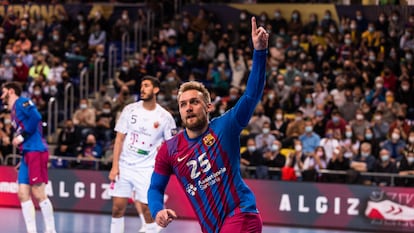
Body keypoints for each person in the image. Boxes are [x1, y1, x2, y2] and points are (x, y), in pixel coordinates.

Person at [148, 17, 268, 233]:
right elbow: (155, 187)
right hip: (214, 227)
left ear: (208, 106)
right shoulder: (170, 149)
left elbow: (251, 96)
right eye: (183, 104)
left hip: (241, 214)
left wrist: (259, 53)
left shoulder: (225, 126)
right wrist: (158, 210)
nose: (189, 107)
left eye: (194, 102)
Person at [109, 75, 177, 233]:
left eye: (146, 85)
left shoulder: (165, 117)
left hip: (147, 169)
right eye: (141, 86)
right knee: (117, 208)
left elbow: (172, 146)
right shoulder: (130, 109)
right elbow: (119, 139)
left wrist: (164, 151)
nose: (142, 89)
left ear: (156, 89)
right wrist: (114, 167)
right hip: (125, 166)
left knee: (148, 211)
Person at [0, 82, 56, 233]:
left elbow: (36, 116)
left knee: (39, 193)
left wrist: (22, 137)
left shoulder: (21, 102)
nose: (1, 96)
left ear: (11, 92)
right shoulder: (13, 111)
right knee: (22, 193)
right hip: (27, 154)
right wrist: (22, 156)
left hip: (36, 151)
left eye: (3, 92)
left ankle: (50, 230)